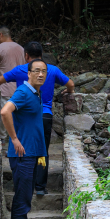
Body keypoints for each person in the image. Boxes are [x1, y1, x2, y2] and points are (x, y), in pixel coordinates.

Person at [0, 61, 47, 219]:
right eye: (37, 71)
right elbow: (5, 111)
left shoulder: (35, 93)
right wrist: (14, 138)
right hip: (23, 155)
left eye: (44, 71)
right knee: (22, 198)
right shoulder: (23, 92)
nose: (41, 74)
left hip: (32, 154)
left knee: (25, 197)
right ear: (28, 73)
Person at [30, 56, 75, 193]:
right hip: (45, 115)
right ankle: (40, 187)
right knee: (42, 150)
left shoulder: (23, 70)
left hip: (28, 115)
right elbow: (71, 84)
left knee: (28, 149)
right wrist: (69, 91)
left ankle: (26, 186)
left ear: (26, 55)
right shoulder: (52, 70)